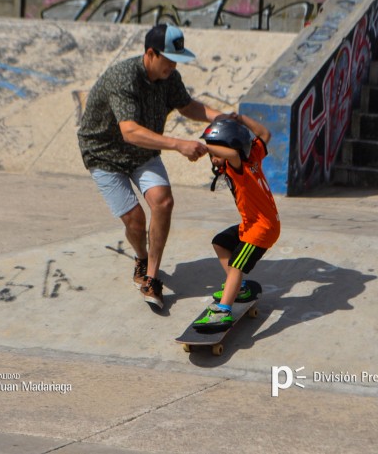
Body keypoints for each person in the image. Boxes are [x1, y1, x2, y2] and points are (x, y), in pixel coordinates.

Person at [77, 24, 225, 310]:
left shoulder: (170, 78)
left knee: (163, 201)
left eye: (177, 60)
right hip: (104, 154)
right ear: (150, 53)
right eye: (169, 59)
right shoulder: (124, 78)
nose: (174, 65)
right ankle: (141, 258)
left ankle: (152, 277)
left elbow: (188, 106)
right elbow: (130, 131)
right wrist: (179, 144)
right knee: (135, 219)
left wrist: (222, 117)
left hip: (142, 153)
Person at [193, 114, 280, 329]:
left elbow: (231, 153)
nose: (213, 158)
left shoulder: (238, 166)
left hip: (262, 229)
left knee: (236, 265)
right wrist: (240, 119)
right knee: (220, 242)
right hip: (251, 223)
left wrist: (205, 147)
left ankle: (223, 311)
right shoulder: (254, 155)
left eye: (215, 152)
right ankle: (239, 288)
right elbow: (265, 134)